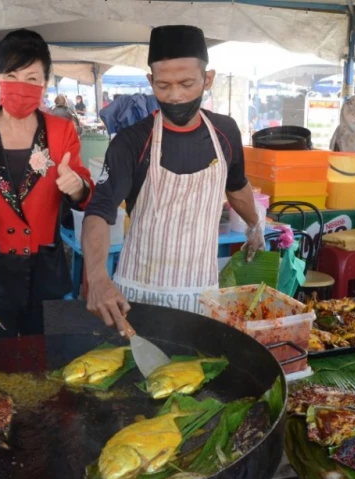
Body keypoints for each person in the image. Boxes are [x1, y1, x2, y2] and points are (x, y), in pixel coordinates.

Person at [82, 25, 263, 330]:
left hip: (200, 295)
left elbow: (237, 186)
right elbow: (99, 211)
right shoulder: (132, 141)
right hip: (136, 297)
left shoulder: (225, 132)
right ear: (150, 81)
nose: (175, 96)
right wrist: (97, 277)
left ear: (208, 79)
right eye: (163, 86)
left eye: (186, 83)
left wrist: (255, 225)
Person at [0, 30, 94, 339]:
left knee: (44, 357)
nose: (21, 86)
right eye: (11, 75)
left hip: (43, 266)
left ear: (44, 84)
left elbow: (85, 191)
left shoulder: (61, 130)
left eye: (31, 78)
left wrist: (78, 185)